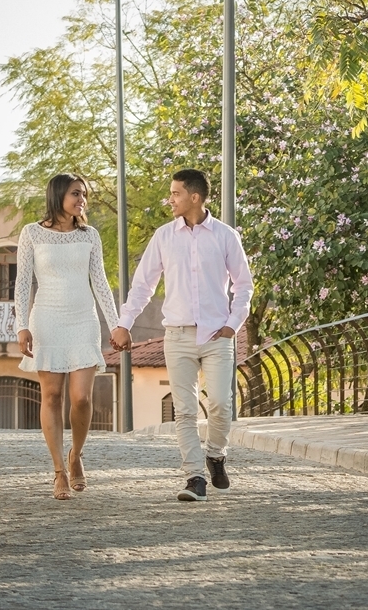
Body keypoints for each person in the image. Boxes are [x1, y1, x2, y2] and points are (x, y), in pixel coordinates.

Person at [110, 168, 253, 502]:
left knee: (221, 404)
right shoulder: (163, 237)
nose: (170, 199)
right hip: (177, 336)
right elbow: (142, 285)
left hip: (218, 336)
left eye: (176, 193)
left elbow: (244, 285)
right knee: (185, 410)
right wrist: (124, 323)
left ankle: (215, 454)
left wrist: (234, 323)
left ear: (195, 197)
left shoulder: (225, 236)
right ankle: (194, 478)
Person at [15, 173, 119, 500]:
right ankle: (59, 470)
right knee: (51, 396)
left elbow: (100, 283)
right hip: (46, 319)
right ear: (58, 194)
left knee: (82, 398)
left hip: (83, 320)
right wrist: (21, 325)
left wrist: (116, 325)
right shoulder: (32, 233)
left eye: (84, 194)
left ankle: (76, 454)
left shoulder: (90, 235)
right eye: (76, 193)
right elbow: (22, 283)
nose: (81, 200)